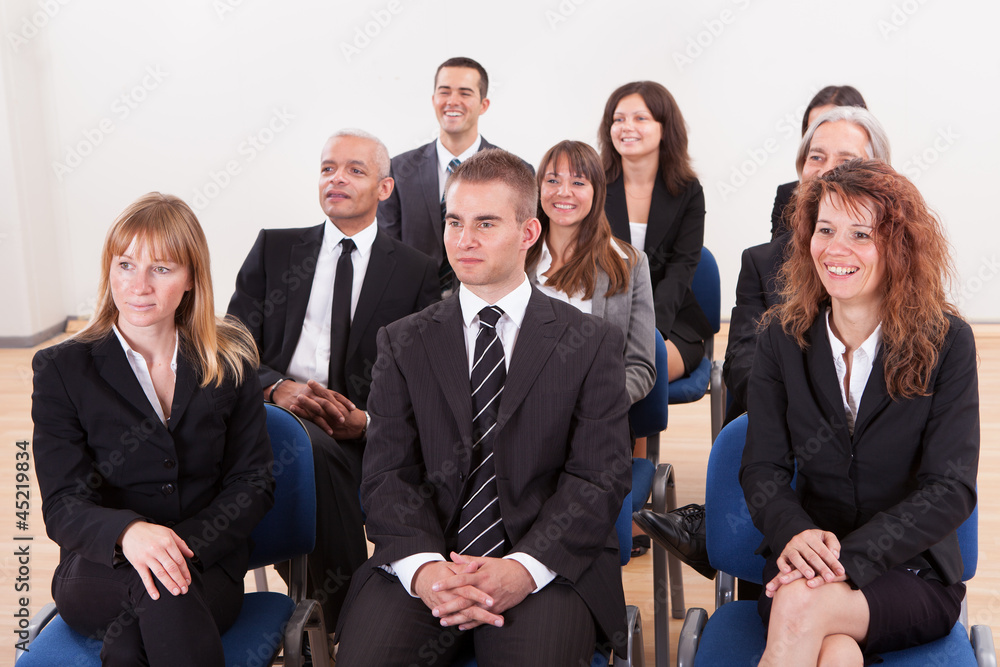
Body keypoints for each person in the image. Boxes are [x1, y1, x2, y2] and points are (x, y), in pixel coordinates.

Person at [335, 149, 633, 666]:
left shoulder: (590, 342)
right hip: (430, 558)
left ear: (529, 232)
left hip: (545, 565)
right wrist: (426, 570)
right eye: (454, 222)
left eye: (486, 223)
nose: (463, 239)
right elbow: (387, 475)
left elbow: (598, 478)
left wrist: (523, 568)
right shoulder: (403, 342)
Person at [634, 106, 892, 580]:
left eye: (846, 159)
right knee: (754, 405)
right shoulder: (762, 261)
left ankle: (717, 526)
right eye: (816, 157)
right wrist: (805, 412)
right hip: (783, 445)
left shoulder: (900, 265)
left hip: (876, 472)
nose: (827, 170)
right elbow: (743, 362)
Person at [741, 158, 977, 665]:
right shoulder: (781, 337)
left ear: (899, 247)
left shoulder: (948, 342)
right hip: (804, 550)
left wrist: (842, 560)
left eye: (861, 234)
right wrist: (795, 534)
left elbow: (950, 488)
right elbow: (762, 468)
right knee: (837, 653)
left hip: (908, 569)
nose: (835, 249)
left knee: (799, 605)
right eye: (825, 229)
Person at [32, 193, 275, 666]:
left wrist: (178, 546)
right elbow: (63, 504)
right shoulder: (62, 368)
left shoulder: (230, 360)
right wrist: (130, 533)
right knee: (160, 590)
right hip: (100, 567)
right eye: (125, 265)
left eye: (160, 269)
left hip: (206, 562)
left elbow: (253, 484)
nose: (138, 285)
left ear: (191, 278)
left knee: (133, 639)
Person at [227, 129, 439, 634]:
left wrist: (364, 420)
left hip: (362, 432)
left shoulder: (416, 271)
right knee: (302, 444)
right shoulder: (275, 248)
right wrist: (275, 387)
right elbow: (231, 345)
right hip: (271, 416)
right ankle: (348, 618)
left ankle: (328, 616)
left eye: (354, 170)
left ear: (385, 188)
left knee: (317, 454)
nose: (336, 178)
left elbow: (424, 376)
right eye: (327, 168)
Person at [378, 57, 532, 293]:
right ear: (433, 100)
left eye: (465, 93)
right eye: (445, 92)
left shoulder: (516, 172)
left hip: (488, 298)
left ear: (483, 105)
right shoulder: (398, 170)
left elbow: (521, 249)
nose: (452, 101)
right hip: (410, 303)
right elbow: (388, 250)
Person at [527, 139, 656, 406]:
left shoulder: (631, 264)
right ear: (539, 188)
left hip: (597, 412)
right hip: (526, 409)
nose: (564, 192)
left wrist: (597, 404)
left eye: (578, 182)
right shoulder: (516, 258)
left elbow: (641, 367)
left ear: (597, 191)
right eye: (552, 180)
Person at [599, 80, 711, 386]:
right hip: (601, 316)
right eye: (618, 119)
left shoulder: (688, 191)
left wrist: (650, 330)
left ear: (665, 128)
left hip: (670, 321)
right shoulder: (592, 185)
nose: (626, 127)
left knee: (640, 372)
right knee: (600, 374)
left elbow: (681, 268)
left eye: (640, 118)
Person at [770, 85, 867, 238]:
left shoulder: (884, 205)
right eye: (814, 127)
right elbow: (775, 251)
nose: (826, 171)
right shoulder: (787, 195)